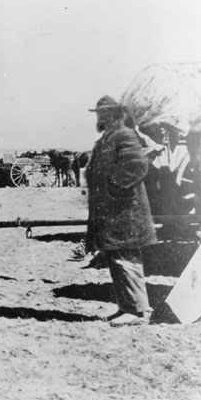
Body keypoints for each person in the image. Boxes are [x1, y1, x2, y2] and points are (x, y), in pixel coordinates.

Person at [85, 95, 157, 326]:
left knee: (126, 259)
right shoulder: (107, 138)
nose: (100, 117)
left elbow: (137, 166)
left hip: (126, 211)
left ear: (114, 114)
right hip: (113, 213)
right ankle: (126, 307)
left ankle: (138, 312)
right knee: (117, 259)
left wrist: (113, 187)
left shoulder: (124, 134)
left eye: (104, 113)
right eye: (99, 113)